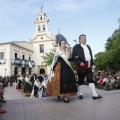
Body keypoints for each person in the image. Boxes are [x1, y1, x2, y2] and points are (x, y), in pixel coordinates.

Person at [46, 39, 77, 103]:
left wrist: (75, 58)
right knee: (61, 79)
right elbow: (54, 60)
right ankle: (61, 95)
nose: (63, 44)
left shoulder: (67, 51)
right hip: (60, 67)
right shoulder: (58, 51)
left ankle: (65, 95)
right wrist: (52, 68)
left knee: (68, 79)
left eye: (64, 43)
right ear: (60, 44)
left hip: (67, 67)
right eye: (62, 43)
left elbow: (68, 59)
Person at [72, 34, 103, 100]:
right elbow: (73, 56)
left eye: (85, 38)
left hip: (88, 65)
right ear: (80, 39)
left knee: (90, 79)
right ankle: (80, 94)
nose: (84, 39)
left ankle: (94, 95)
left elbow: (91, 55)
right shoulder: (76, 47)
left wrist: (92, 64)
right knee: (81, 80)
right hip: (81, 66)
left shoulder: (88, 46)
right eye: (83, 38)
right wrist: (79, 63)